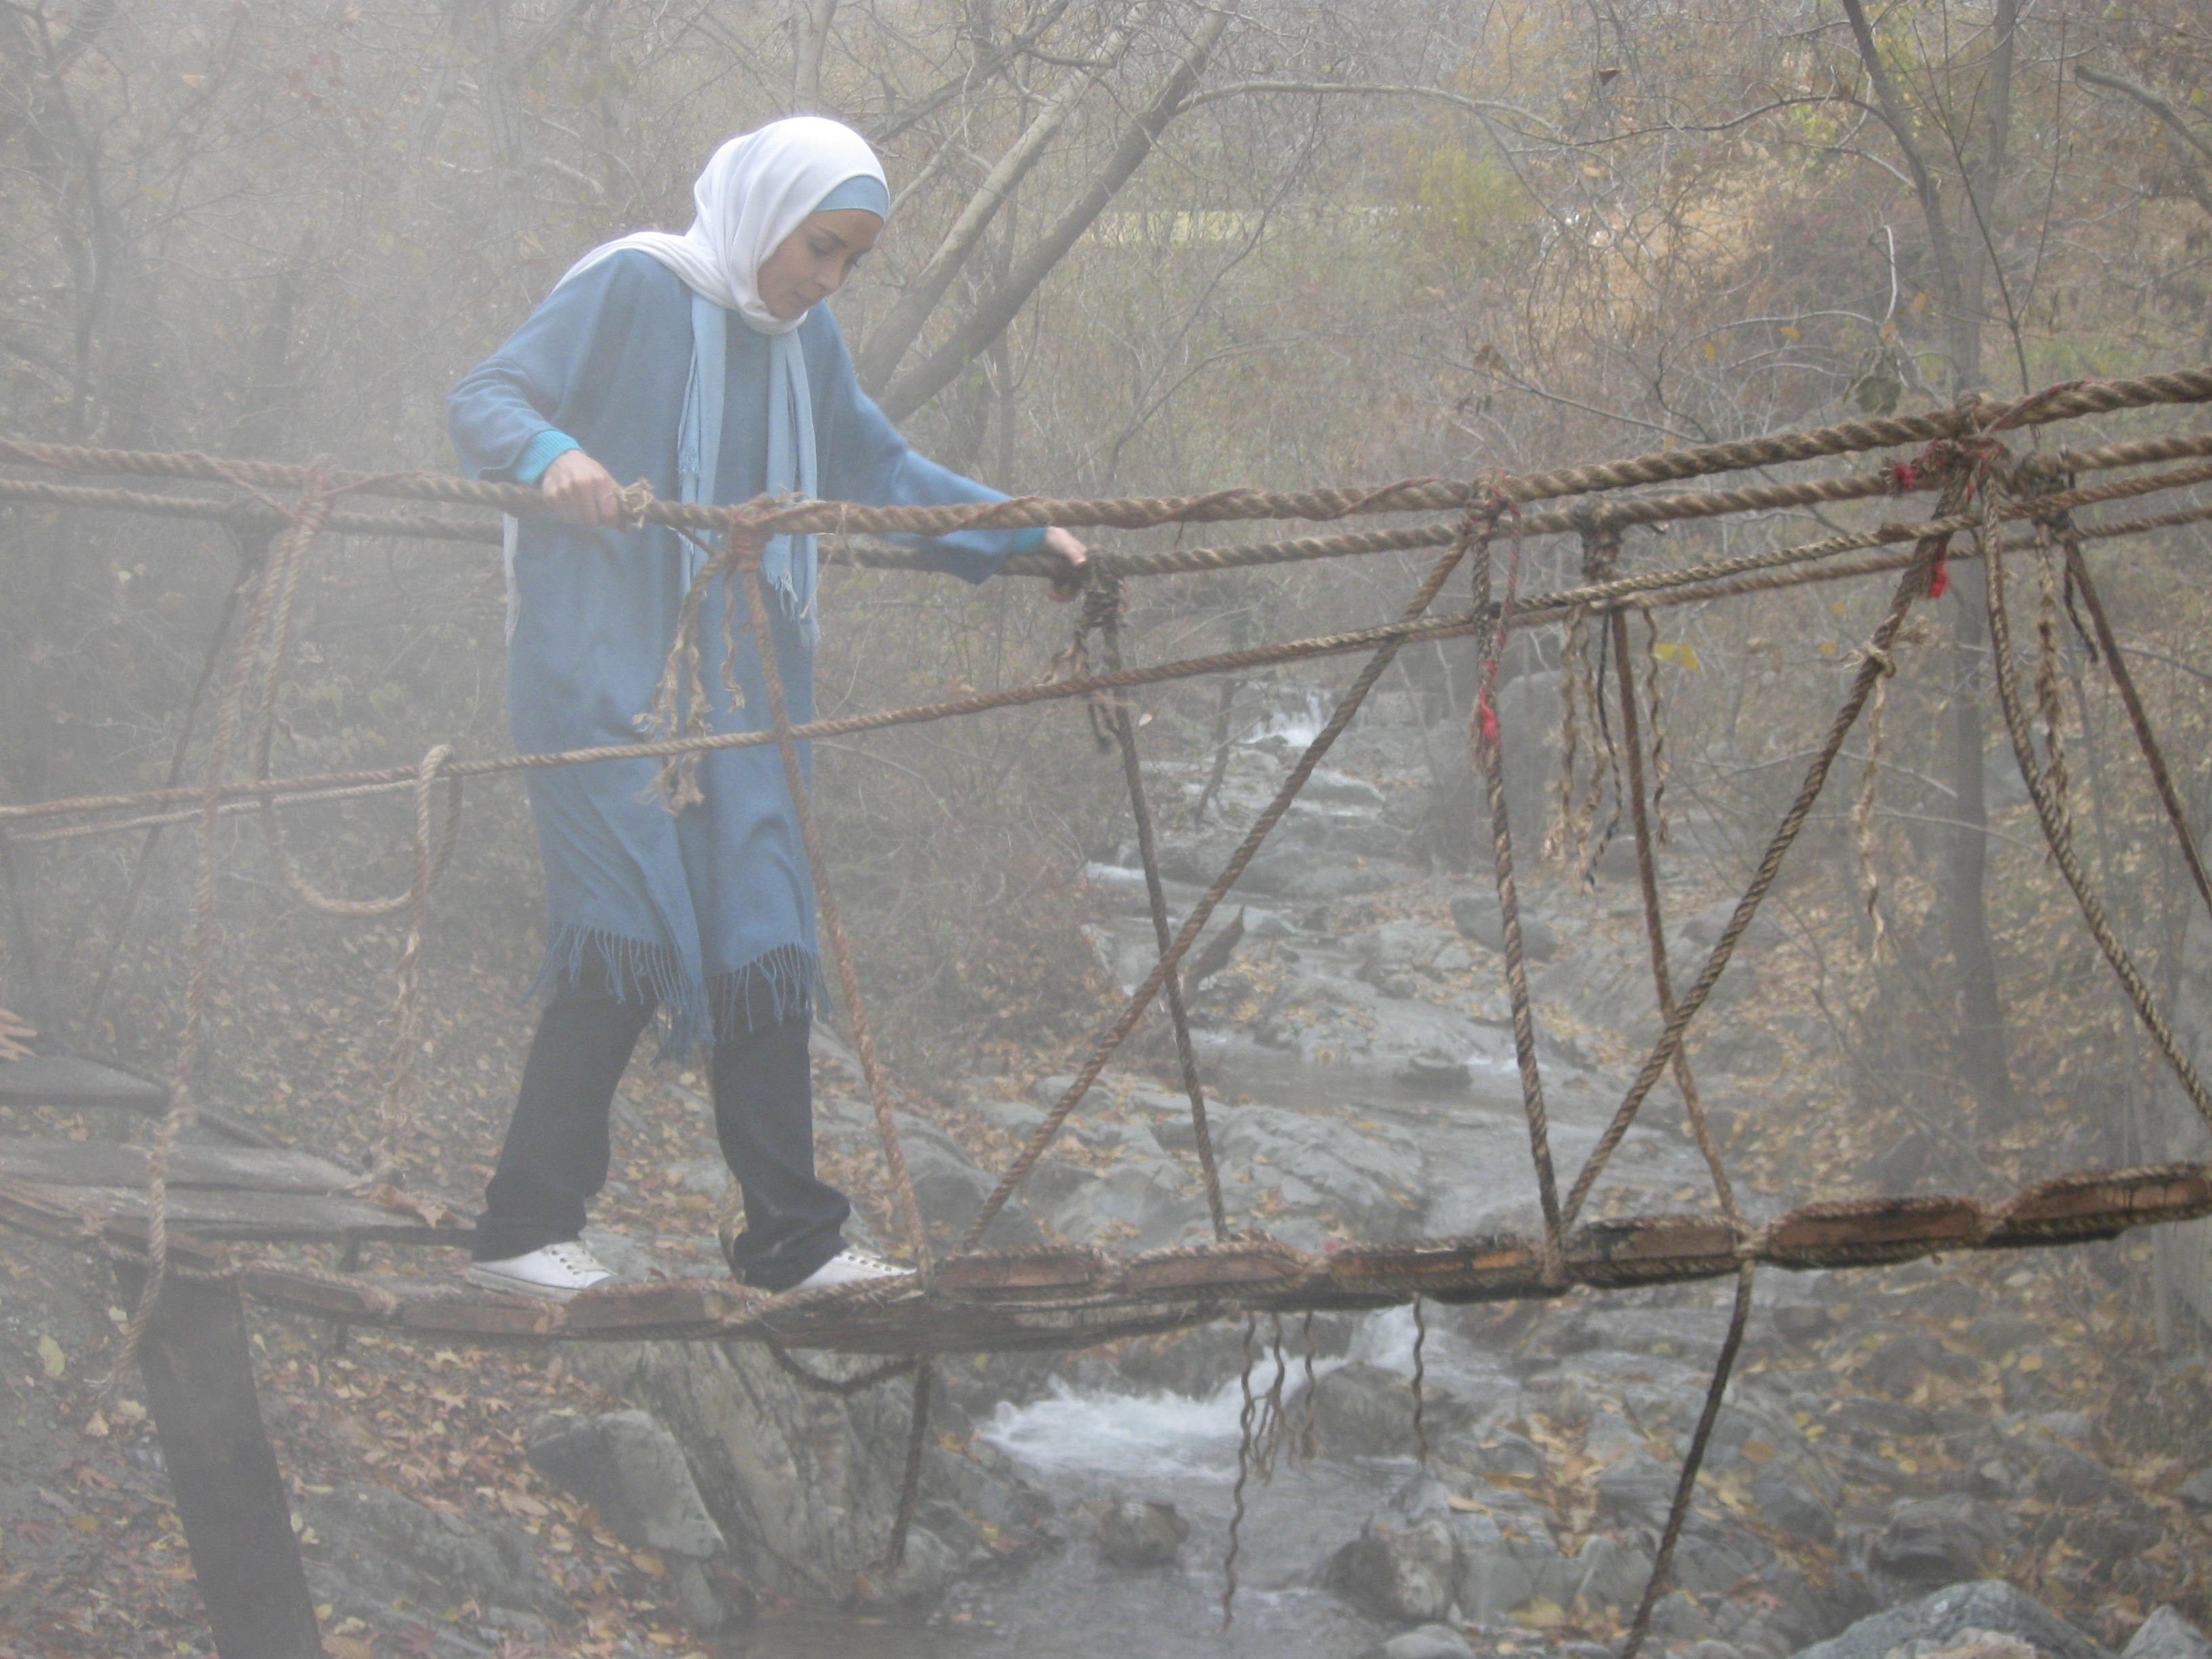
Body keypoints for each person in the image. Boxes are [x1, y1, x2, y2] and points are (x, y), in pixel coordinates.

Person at [447, 116, 1087, 1300]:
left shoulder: (804, 341)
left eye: (851, 262)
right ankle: (523, 1229)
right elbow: (486, 395)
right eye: (820, 248)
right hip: (595, 664)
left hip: (741, 680)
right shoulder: (634, 283)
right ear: (765, 211)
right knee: (628, 925)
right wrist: (550, 455)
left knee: (760, 933)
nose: (827, 280)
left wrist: (1017, 530)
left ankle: (792, 1242)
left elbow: (879, 473)